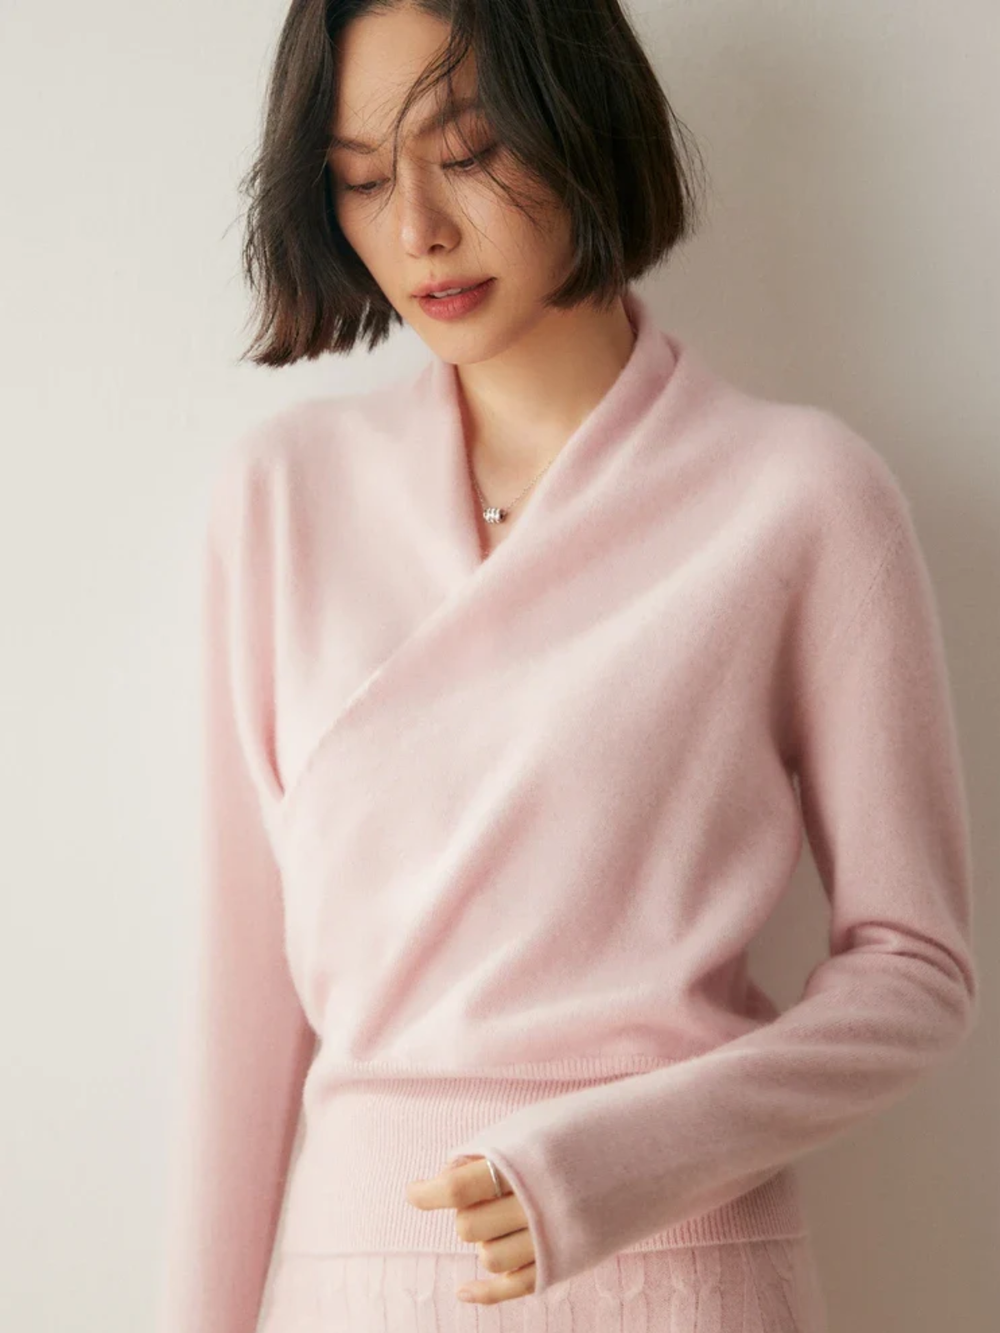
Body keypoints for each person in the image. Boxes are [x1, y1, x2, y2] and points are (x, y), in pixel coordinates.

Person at [156, 2, 979, 1331]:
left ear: (580, 122)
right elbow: (241, 1026)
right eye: (361, 178)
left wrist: (618, 1159)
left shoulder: (800, 499)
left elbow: (915, 973)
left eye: (468, 151)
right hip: (355, 1291)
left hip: (682, 1280)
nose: (417, 228)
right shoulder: (281, 501)